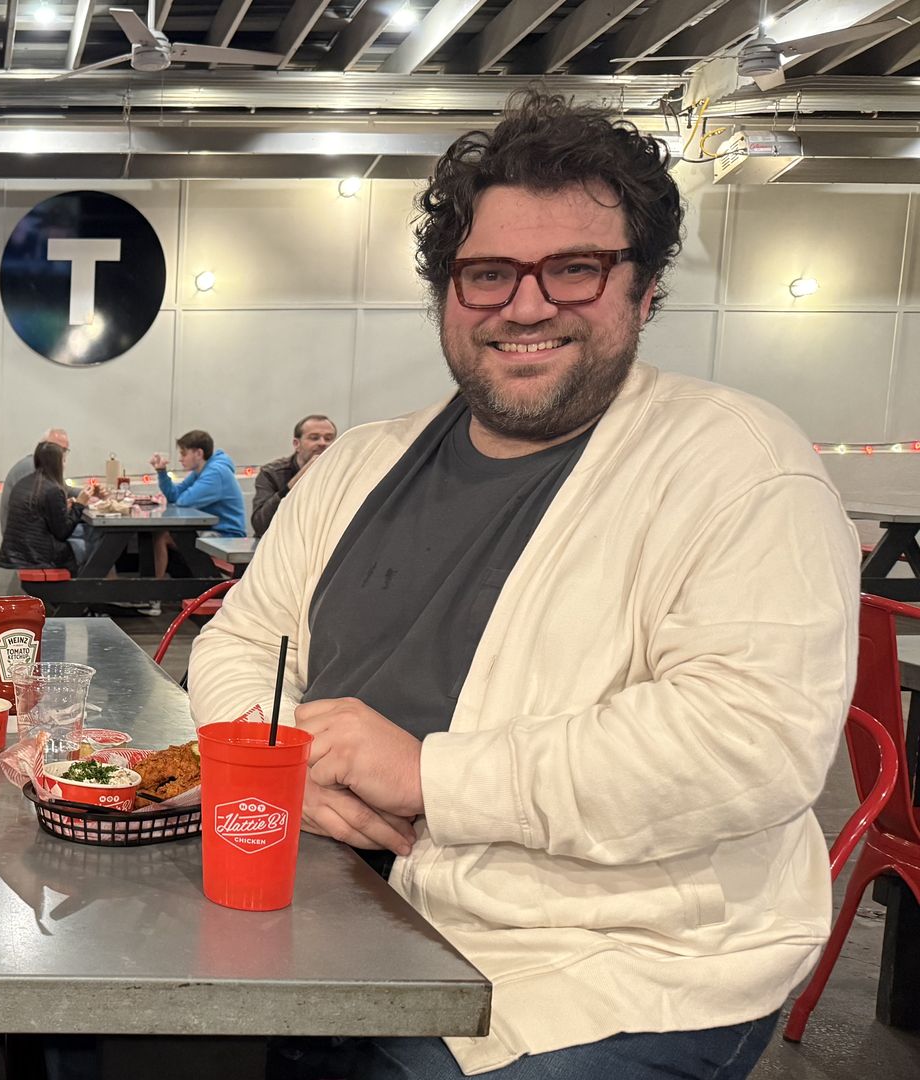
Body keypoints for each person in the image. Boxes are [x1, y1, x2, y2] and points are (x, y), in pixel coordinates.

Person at [189, 91, 856, 1079]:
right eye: (488, 273)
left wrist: (430, 776)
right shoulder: (360, 462)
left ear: (644, 287)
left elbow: (745, 741)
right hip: (337, 911)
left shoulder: (742, 465)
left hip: (604, 973)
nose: (527, 304)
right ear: (447, 292)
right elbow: (242, 643)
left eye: (575, 269)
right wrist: (282, 768)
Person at [148, 429, 247, 578]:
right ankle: (156, 589)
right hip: (212, 529)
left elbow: (183, 501)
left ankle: (153, 593)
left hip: (226, 535)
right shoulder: (201, 471)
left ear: (198, 454)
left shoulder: (215, 473)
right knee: (160, 535)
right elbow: (175, 495)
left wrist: (175, 498)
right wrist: (162, 471)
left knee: (162, 536)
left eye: (183, 453)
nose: (180, 459)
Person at [0, 440, 92, 573]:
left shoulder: (24, 483)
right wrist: (79, 504)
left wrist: (66, 508)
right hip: (38, 557)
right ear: (57, 463)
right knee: (90, 545)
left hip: (19, 553)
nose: (65, 465)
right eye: (63, 461)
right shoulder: (52, 489)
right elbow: (62, 533)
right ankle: (90, 590)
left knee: (84, 535)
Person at [251, 414, 337, 537]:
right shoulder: (271, 473)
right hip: (278, 543)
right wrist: (299, 478)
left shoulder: (342, 474)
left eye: (329, 438)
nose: (323, 443)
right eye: (314, 438)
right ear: (297, 444)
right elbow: (261, 525)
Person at [1, 426, 71, 534]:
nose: (61, 454)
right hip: (26, 540)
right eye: (56, 448)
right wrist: (78, 505)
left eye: (64, 450)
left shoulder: (40, 470)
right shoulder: (31, 468)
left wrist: (88, 493)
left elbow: (63, 489)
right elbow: (61, 529)